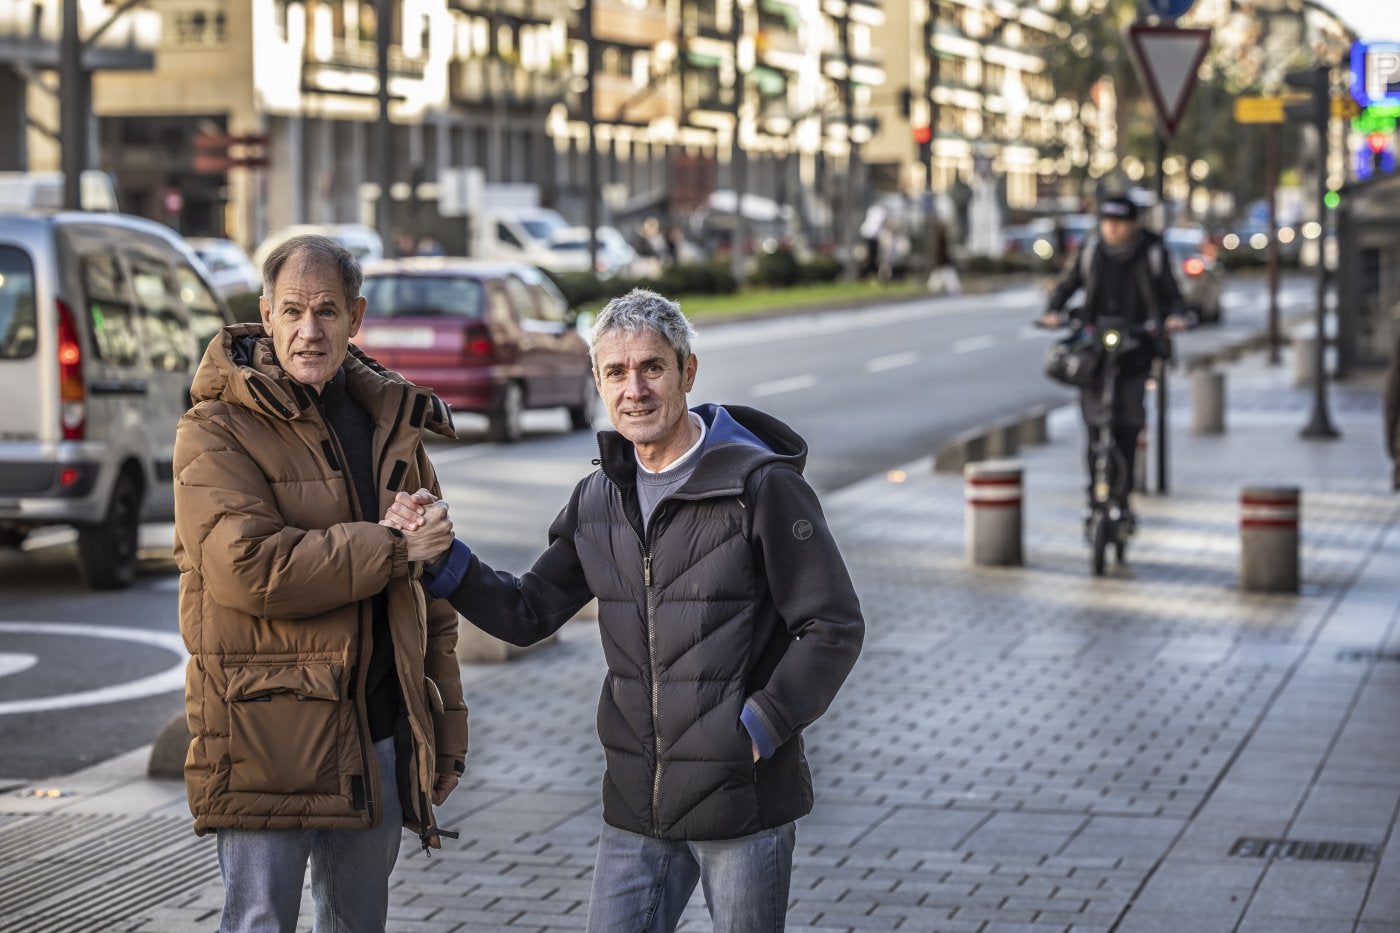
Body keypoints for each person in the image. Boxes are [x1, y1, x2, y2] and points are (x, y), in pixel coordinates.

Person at [384, 288, 864, 932]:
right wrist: (445, 558)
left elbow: (832, 626)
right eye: (616, 372)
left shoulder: (761, 487)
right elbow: (528, 611)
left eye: (652, 367)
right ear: (599, 382)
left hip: (740, 797)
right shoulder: (599, 497)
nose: (634, 388)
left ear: (687, 371)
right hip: (639, 799)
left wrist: (759, 727)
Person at [173, 234, 469, 933]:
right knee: (259, 922)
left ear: (357, 317)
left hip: (379, 733)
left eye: (328, 311)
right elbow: (248, 569)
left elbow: (431, 594)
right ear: (266, 313)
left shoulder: (391, 425)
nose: (311, 330)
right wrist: (392, 545)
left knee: (357, 924)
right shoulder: (214, 428)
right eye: (295, 310)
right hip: (265, 736)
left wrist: (444, 727)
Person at [1040, 195, 1186, 526]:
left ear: (1134, 224)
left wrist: (1174, 317)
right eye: (1107, 221)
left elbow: (1173, 294)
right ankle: (1095, 493)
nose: (1113, 228)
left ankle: (1123, 498)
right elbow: (1067, 284)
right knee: (1094, 426)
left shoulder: (1151, 252)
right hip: (1095, 353)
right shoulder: (1091, 251)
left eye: (1120, 222)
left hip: (1136, 351)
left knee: (1128, 425)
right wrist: (1053, 310)